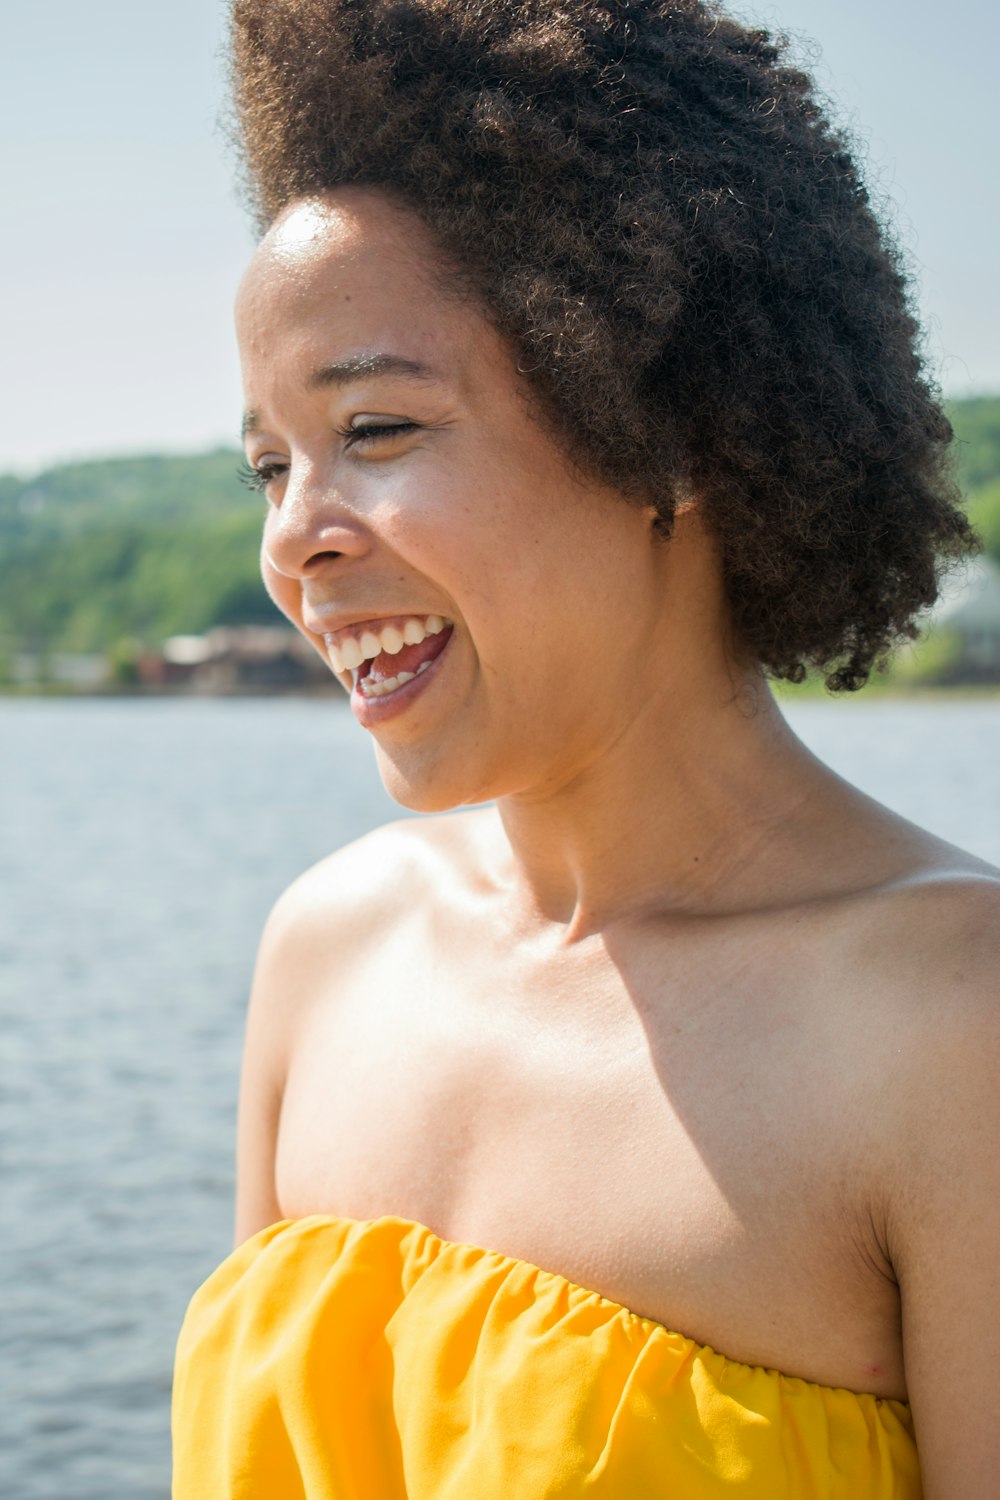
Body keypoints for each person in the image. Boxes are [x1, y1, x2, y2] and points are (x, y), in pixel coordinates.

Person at [172, 1, 999, 1495]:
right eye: (269, 464)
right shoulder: (325, 951)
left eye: (378, 429)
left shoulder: (957, 1030)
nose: (294, 542)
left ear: (667, 430)